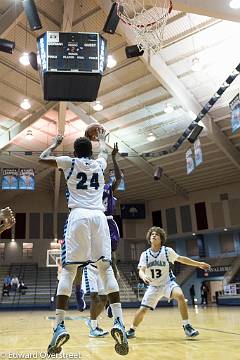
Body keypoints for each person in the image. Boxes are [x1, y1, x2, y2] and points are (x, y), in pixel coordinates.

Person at [39, 132, 128, 356]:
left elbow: (42, 158)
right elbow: (106, 153)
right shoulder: (99, 163)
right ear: (90, 150)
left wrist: (54, 144)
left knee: (69, 271)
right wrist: (103, 139)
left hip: (78, 216)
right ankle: (118, 321)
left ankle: (59, 325)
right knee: (106, 269)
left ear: (75, 151)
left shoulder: (69, 162)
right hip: (99, 219)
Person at [126, 226, 211, 339]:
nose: (154, 235)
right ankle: (132, 329)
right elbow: (141, 270)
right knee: (142, 310)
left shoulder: (167, 251)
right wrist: (143, 276)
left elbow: (182, 259)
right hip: (153, 287)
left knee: (180, 295)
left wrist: (198, 264)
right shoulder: (145, 254)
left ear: (161, 239)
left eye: (157, 234)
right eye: (152, 234)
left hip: (167, 283)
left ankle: (187, 326)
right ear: (149, 239)